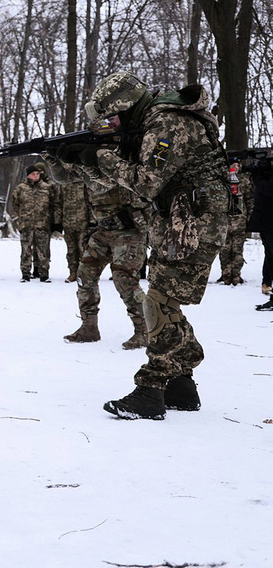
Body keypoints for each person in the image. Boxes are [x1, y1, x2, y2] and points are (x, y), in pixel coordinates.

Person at [58, 71, 230, 420]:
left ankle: (150, 391)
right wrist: (79, 159)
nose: (110, 124)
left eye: (112, 117)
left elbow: (147, 182)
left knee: (159, 301)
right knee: (165, 299)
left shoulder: (167, 123)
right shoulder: (156, 120)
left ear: (127, 107)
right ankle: (180, 383)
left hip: (195, 221)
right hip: (184, 219)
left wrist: (100, 157)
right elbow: (129, 177)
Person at [50, 160, 150, 349]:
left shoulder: (117, 160)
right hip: (103, 231)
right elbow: (63, 178)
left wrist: (85, 161)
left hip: (129, 231)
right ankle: (89, 327)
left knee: (124, 279)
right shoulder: (89, 163)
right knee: (84, 275)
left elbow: (103, 182)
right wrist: (54, 159)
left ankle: (144, 331)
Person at [10, 161, 56, 282]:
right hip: (26, 224)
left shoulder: (47, 188)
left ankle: (44, 273)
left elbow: (53, 205)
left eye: (37, 173)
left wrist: (51, 220)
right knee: (25, 250)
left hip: (42, 224)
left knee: (43, 250)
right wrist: (23, 215)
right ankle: (25, 273)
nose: (36, 175)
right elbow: (15, 204)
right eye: (33, 174)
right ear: (28, 175)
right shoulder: (21, 188)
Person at [218, 160, 254, 286]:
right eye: (233, 165)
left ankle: (234, 276)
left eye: (237, 165)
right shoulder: (240, 180)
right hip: (228, 221)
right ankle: (228, 276)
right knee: (226, 250)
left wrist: (249, 218)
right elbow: (249, 201)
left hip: (237, 222)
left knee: (234, 250)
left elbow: (249, 201)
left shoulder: (224, 180)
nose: (235, 168)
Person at [247, 160, 273, 307]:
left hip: (268, 220)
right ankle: (267, 282)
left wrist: (257, 177)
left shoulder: (262, 181)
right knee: (269, 253)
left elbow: (268, 189)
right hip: (265, 221)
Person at [57, 179, 90, 283]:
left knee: (83, 250)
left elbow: (91, 202)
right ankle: (73, 273)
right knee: (71, 251)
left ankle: (84, 274)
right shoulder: (64, 184)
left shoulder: (85, 184)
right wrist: (58, 222)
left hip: (83, 223)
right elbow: (59, 204)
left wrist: (92, 221)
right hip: (68, 223)